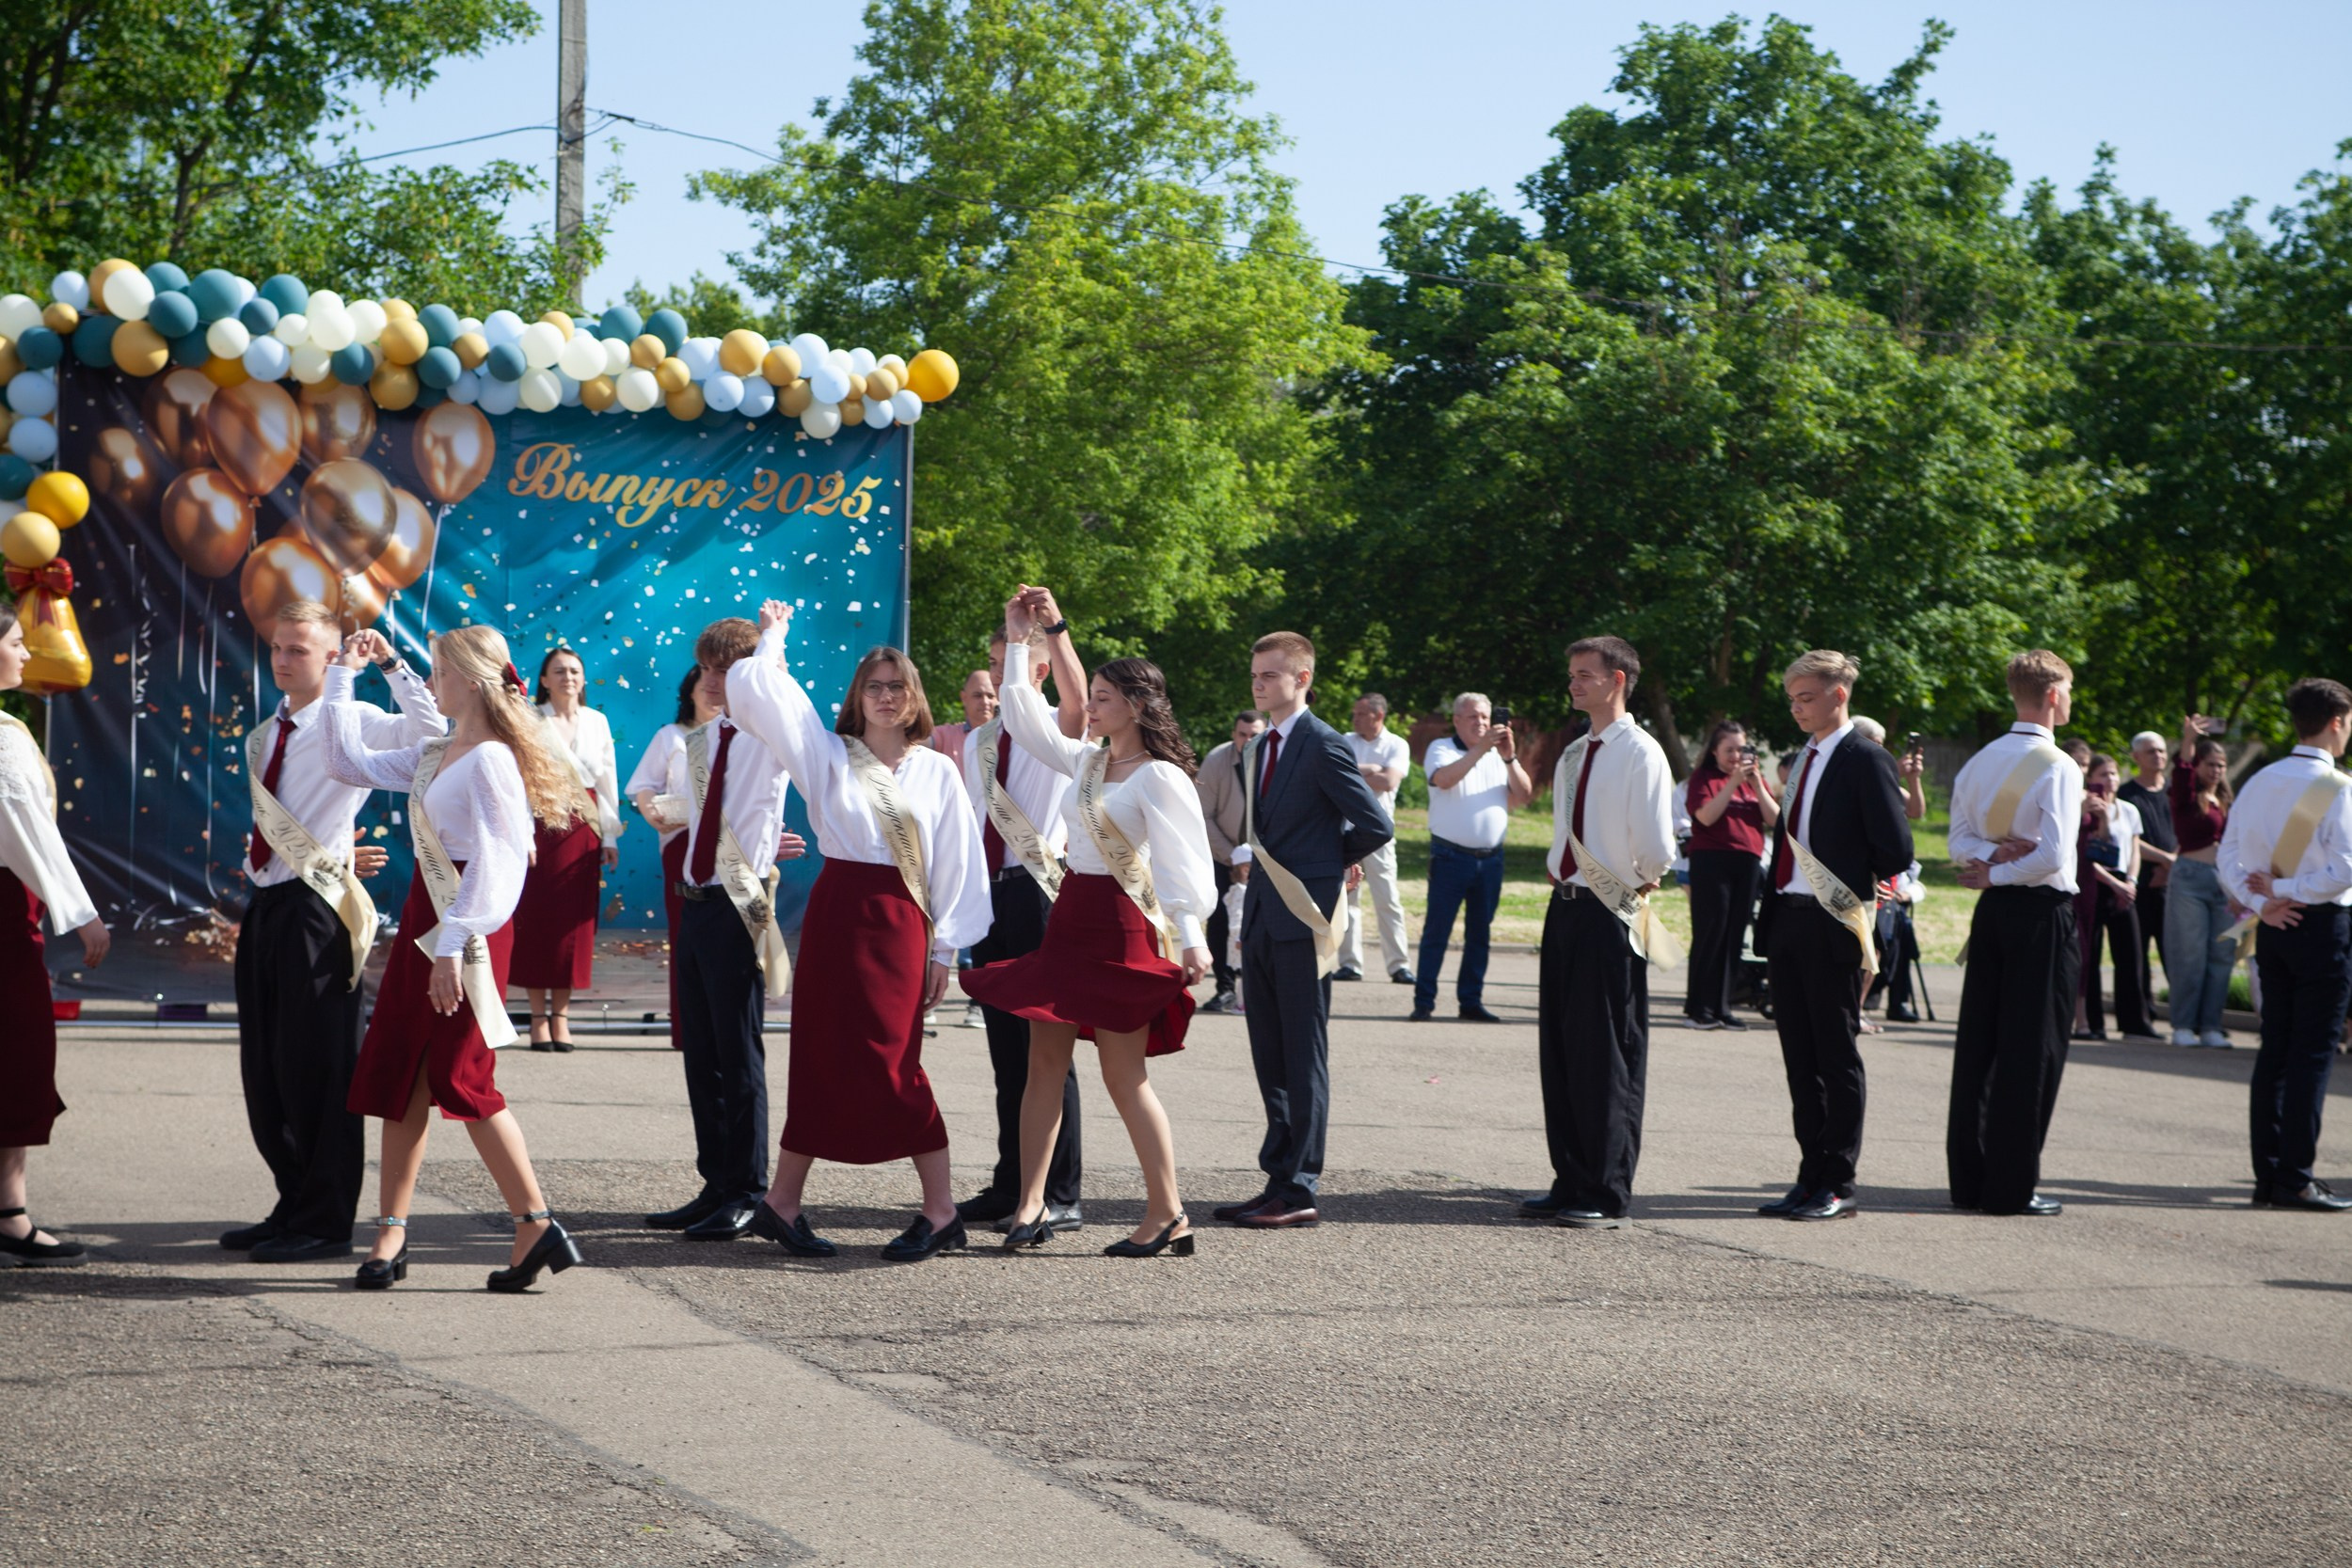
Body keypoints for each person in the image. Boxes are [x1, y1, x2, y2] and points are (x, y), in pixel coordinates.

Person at [322, 626, 586, 1292]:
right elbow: (345, 762)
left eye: (438, 670)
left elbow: (499, 861)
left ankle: (535, 1220)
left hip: (465, 925)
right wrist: (348, 674)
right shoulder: (439, 751)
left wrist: (452, 942)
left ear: (468, 679)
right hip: (427, 918)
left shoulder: (493, 759)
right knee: (400, 1072)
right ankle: (391, 1229)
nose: (432, 680)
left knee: (462, 1075)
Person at [728, 603, 991, 1262]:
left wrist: (945, 948)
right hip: (838, 912)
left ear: (913, 698)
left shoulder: (937, 770)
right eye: (872, 686)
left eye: (895, 686)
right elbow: (764, 692)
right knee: (819, 1053)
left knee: (893, 1061)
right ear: (857, 696)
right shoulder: (827, 753)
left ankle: (940, 1210)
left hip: (902, 923)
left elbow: (959, 860)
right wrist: (775, 636)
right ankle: (781, 1203)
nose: (883, 696)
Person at [963, 586, 1216, 1256]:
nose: (1090, 706)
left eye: (1102, 697)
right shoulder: (1088, 761)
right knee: (1042, 1062)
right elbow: (1022, 715)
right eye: (1093, 694)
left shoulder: (1161, 777)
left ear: (1136, 705)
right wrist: (1020, 640)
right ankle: (1030, 1203)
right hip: (1071, 917)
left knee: (1122, 1074)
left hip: (1121, 925)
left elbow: (1187, 866)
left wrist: (1194, 939)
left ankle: (1167, 1210)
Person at [227, 601, 438, 1264]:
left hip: (318, 909)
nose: (283, 659)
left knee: (318, 1064)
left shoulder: (360, 721)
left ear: (329, 656)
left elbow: (434, 732)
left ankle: (324, 1216)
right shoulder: (266, 733)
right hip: (265, 905)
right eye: (278, 648)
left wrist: (389, 664)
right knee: (266, 1068)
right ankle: (292, 1200)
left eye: (299, 649)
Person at [1216, 631, 1392, 1229]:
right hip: (1265, 914)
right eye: (1255, 674)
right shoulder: (1260, 746)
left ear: (1302, 680)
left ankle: (1300, 1186)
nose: (1259, 683)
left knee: (1303, 1052)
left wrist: (1326, 861)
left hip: (1305, 915)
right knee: (1270, 1052)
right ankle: (1276, 1177)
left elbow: (1373, 824)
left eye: (1270, 675)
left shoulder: (1322, 743)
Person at [641, 622, 804, 1239]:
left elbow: (778, 692)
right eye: (706, 669)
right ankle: (716, 1179)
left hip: (740, 902)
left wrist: (773, 641)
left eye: (725, 668)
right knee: (702, 1052)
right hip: (696, 900)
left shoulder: (767, 734)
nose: (710, 680)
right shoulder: (704, 739)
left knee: (739, 1053)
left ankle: (749, 1188)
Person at [1751, 654, 1914, 1222]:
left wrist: (1845, 874)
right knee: (1799, 1057)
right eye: (1792, 699)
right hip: (1790, 919)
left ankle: (1838, 1181)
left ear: (1838, 695)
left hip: (1834, 921)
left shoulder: (1866, 759)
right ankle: (1808, 1175)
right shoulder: (1804, 760)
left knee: (1834, 1054)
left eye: (1807, 698)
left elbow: (1896, 848)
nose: (1797, 708)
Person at [1522, 636, 1677, 1228]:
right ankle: (1570, 1176)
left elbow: (1657, 845)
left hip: (1611, 909)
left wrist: (1639, 878)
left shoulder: (1641, 751)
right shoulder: (1572, 754)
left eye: (1585, 674)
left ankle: (1605, 1186)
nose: (1574, 683)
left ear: (1617, 680)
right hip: (1565, 907)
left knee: (1605, 1051)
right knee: (1561, 1050)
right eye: (1571, 674)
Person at [949, 610, 1094, 1236]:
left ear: (1036, 670)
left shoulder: (1049, 731)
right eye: (996, 658)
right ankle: (1013, 1181)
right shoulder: (980, 743)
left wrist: (1051, 629)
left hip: (1038, 893)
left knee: (1048, 1052)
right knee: (1006, 1051)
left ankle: (1060, 1189)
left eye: (1012, 661)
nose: (999, 681)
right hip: (992, 898)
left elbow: (1080, 700)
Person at [1946, 650, 2082, 1218]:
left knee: (1979, 1044)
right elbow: (2052, 857)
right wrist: (2001, 865)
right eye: (2070, 690)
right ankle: (2011, 1185)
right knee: (2033, 1049)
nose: (2071, 700)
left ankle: (1971, 1179)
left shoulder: (1980, 760)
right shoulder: (2058, 765)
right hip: (2040, 913)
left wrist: (1987, 860)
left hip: (1994, 910)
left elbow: (1957, 842)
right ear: (2052, 695)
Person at [0, 599, 110, 1267]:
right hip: (6, 915)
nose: (23, 651)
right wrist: (81, 912)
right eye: (13, 640)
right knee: (15, 1055)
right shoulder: (6, 734)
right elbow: (27, 832)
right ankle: (9, 1212)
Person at [2219, 677, 2352, 1212]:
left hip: (2273, 928)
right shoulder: (2339, 787)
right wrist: (2287, 890)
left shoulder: (2258, 781)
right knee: (2312, 1054)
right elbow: (2346, 869)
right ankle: (2296, 1176)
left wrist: (2262, 904)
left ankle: (2268, 1175)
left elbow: (2229, 856)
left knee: (2275, 1049)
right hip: (2319, 926)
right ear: (2337, 721)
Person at [507, 646, 619, 1051]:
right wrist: (521, 834)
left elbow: (607, 783)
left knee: (575, 926)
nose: (567, 677)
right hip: (540, 824)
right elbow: (517, 779)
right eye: (558, 671)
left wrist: (608, 836)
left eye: (574, 671)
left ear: (584, 679)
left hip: (583, 829)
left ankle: (562, 1018)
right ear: (543, 679)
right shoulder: (531, 719)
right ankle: (537, 1018)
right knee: (538, 922)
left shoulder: (597, 721)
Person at [1411, 692, 1533, 1022]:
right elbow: (1444, 780)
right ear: (1456, 720)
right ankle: (1424, 1001)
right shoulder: (1442, 748)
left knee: (1480, 934)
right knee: (1437, 932)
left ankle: (1470, 1001)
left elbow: (1523, 795)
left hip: (1491, 860)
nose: (1481, 723)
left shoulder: (1498, 756)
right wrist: (1481, 750)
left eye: (1485, 717)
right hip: (1450, 856)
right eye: (1473, 717)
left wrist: (1509, 758)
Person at [625, 667, 720, 1052]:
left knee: (728, 939)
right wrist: (652, 815)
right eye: (705, 685)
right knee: (687, 938)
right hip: (682, 846)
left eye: (720, 684)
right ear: (690, 693)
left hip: (734, 848)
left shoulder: (744, 736)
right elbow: (643, 786)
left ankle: (725, 1028)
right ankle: (689, 1031)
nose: (713, 691)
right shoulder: (671, 736)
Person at [1682, 720, 1779, 1030]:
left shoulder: (1754, 781)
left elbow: (1775, 820)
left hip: (1747, 862)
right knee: (1712, 932)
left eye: (1742, 749)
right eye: (1729, 750)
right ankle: (1699, 1007)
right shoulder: (1704, 779)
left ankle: (1723, 1006)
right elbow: (1706, 817)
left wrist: (1755, 785)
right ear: (1714, 752)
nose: (1737, 756)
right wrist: (1733, 783)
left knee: (1735, 935)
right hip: (1711, 861)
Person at [2167, 716, 2236, 1048]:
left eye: (2222, 765)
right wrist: (2188, 739)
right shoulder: (2185, 796)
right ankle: (2182, 1025)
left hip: (2224, 882)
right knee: (2189, 955)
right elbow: (2181, 772)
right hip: (2190, 879)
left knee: (2222, 955)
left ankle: (2210, 1025)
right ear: (2198, 764)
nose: (2218, 770)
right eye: (2211, 764)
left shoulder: (2225, 801)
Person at [2078, 753, 2154, 1039]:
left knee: (2131, 953)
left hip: (2125, 883)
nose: (2109, 779)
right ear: (2091, 780)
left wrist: (2131, 881)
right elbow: (2086, 854)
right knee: (2092, 953)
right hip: (2096, 882)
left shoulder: (2129, 810)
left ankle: (2135, 1022)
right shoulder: (2086, 810)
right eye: (2102, 775)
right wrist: (2113, 883)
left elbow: (2134, 849)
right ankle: (2094, 1022)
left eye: (2112, 774)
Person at [1339, 693, 1413, 986]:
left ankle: (1399, 965)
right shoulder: (1345, 740)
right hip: (1346, 830)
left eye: (1360, 714)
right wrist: (1371, 770)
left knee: (1388, 899)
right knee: (1347, 897)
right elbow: (1336, 777)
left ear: (1378, 716)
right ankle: (1350, 964)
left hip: (1380, 833)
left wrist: (1356, 773)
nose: (1354, 718)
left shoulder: (1396, 744)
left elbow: (1389, 782)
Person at [2117, 731, 2178, 1021]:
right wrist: (2164, 860)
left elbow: (2187, 830)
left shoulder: (2175, 793)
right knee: (2137, 953)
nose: (2159, 756)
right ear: (2136, 757)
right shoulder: (2126, 795)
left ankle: (2183, 1013)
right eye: (2152, 751)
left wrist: (2172, 866)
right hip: (2140, 885)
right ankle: (2144, 1012)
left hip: (2173, 886)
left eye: (2162, 750)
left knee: (2175, 953)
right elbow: (2128, 837)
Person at [929, 667, 994, 772]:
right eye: (978, 695)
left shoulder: (1010, 738)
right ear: (964, 698)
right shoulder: (946, 736)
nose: (985, 701)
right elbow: (914, 741)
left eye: (991, 696)